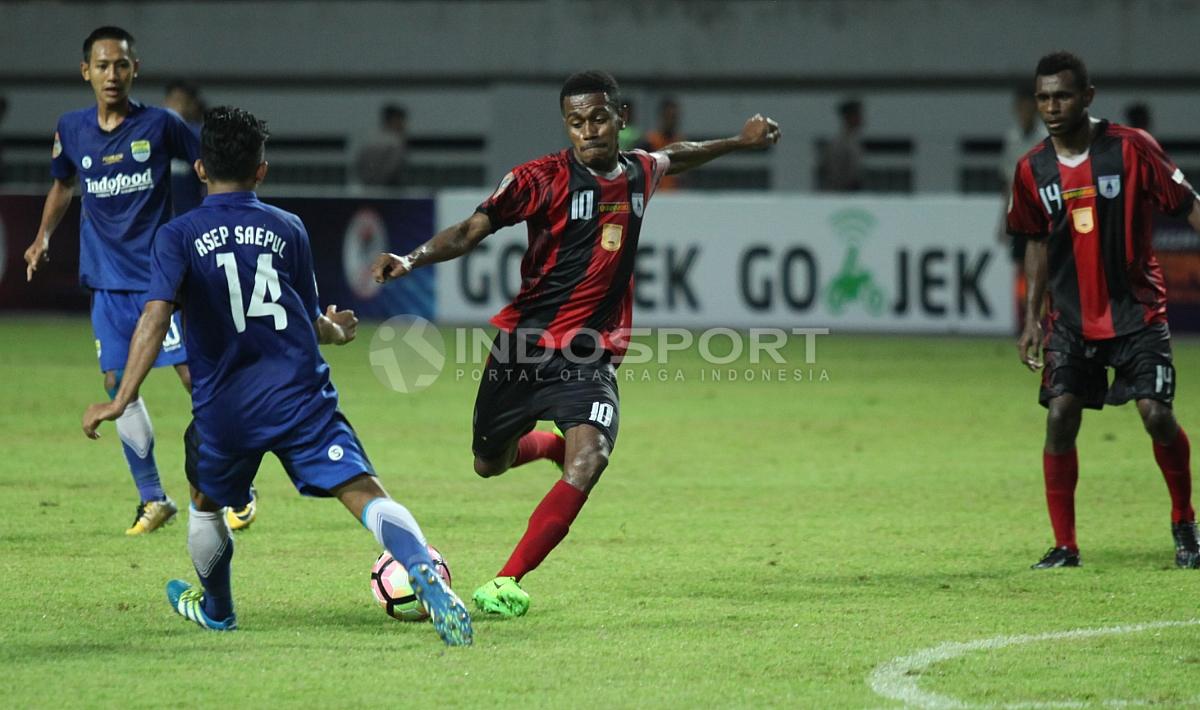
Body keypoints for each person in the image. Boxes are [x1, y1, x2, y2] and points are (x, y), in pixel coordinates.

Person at [372, 70, 780, 617]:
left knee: (592, 458)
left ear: (620, 118)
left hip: (589, 354)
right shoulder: (538, 179)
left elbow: (678, 155)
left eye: (598, 118)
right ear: (566, 124)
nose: (587, 130)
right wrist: (410, 258)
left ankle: (506, 581)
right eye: (575, 121)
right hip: (522, 349)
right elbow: (472, 230)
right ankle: (549, 445)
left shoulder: (639, 171)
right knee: (488, 463)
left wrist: (739, 142)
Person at [81, 106, 472, 645]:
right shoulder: (288, 228)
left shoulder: (177, 236)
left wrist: (121, 396)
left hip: (225, 408)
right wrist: (335, 332)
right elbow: (305, 321)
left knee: (204, 501)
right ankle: (420, 568)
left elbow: (154, 316)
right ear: (262, 170)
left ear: (198, 169)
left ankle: (217, 609)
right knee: (363, 489)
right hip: (299, 395)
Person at [20, 26, 256, 537]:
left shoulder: (161, 125)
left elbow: (210, 166)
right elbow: (63, 184)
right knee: (115, 385)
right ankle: (153, 497)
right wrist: (41, 236)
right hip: (105, 284)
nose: (112, 75)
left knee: (197, 380)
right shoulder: (72, 128)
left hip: (160, 281)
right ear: (86, 71)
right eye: (102, 66)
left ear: (135, 69)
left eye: (121, 65)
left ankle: (237, 487)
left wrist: (219, 220)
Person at [1009, 51, 1200, 570]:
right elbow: (1035, 241)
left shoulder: (1132, 149)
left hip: (1137, 311)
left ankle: (1185, 522)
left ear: (1087, 97)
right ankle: (1065, 545)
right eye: (1043, 96)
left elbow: (1188, 205)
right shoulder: (1032, 169)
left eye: (1063, 95)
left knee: (1156, 415)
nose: (1052, 106)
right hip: (1070, 319)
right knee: (1060, 415)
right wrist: (1031, 318)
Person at [999, 87, 1048, 332]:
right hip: (1020, 211)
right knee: (1021, 267)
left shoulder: (1045, 138)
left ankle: (1044, 319)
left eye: (1028, 105)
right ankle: (1023, 318)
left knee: (1043, 267)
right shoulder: (1013, 139)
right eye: (1020, 106)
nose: (1024, 111)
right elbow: (1008, 182)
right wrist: (1002, 219)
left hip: (1042, 211)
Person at [163, 79, 205, 215]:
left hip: (191, 217)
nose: (175, 106)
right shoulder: (154, 134)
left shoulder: (200, 136)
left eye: (180, 100)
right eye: (172, 100)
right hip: (160, 220)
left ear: (193, 105)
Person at [354, 103, 408, 186]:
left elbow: (358, 164)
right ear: (394, 120)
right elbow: (392, 169)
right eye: (401, 120)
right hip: (387, 190)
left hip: (367, 186)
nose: (403, 125)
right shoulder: (396, 142)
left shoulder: (369, 138)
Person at [817, 98, 864, 192]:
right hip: (840, 194)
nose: (861, 118)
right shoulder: (840, 143)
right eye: (857, 115)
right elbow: (834, 175)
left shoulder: (853, 141)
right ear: (849, 117)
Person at [638, 97, 684, 190]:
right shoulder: (649, 142)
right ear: (661, 117)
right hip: (655, 195)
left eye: (674, 117)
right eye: (668, 117)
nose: (671, 121)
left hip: (676, 195)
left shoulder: (682, 143)